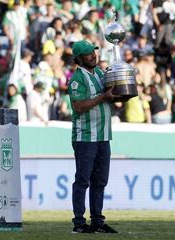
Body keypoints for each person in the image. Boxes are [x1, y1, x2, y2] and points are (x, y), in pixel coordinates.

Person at [68, 40, 117, 234]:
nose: (93, 55)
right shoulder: (76, 79)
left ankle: (97, 221)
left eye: (93, 52)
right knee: (83, 180)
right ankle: (79, 223)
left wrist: (123, 92)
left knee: (100, 181)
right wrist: (103, 97)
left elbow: (111, 96)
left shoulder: (99, 73)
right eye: (88, 54)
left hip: (103, 136)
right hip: (85, 137)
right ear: (78, 58)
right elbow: (78, 106)